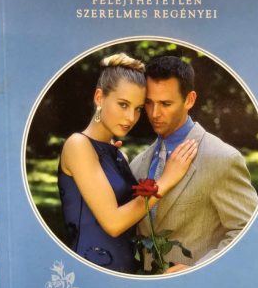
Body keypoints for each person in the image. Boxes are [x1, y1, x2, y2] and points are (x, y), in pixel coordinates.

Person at [58, 53, 197, 274]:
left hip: (126, 272)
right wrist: (166, 180)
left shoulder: (116, 154)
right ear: (99, 97)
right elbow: (114, 223)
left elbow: (135, 215)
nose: (131, 117)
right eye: (123, 104)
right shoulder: (77, 145)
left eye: (138, 108)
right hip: (93, 270)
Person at [130, 55, 258, 272]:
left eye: (166, 104)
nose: (154, 114)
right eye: (149, 103)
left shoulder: (223, 158)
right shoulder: (137, 164)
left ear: (189, 100)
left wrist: (198, 269)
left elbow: (249, 233)